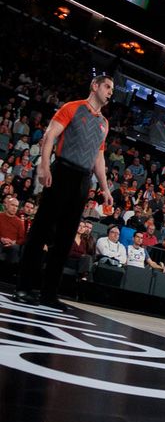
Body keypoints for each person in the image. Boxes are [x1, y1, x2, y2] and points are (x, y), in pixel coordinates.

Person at [16, 74, 115, 307]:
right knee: (41, 229)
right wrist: (43, 165)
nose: (111, 92)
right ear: (95, 86)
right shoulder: (73, 107)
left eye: (113, 89)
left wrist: (105, 187)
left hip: (83, 180)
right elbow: (50, 135)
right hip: (62, 171)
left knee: (65, 238)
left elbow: (99, 157)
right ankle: (23, 287)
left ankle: (49, 293)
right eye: (107, 86)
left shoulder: (104, 123)